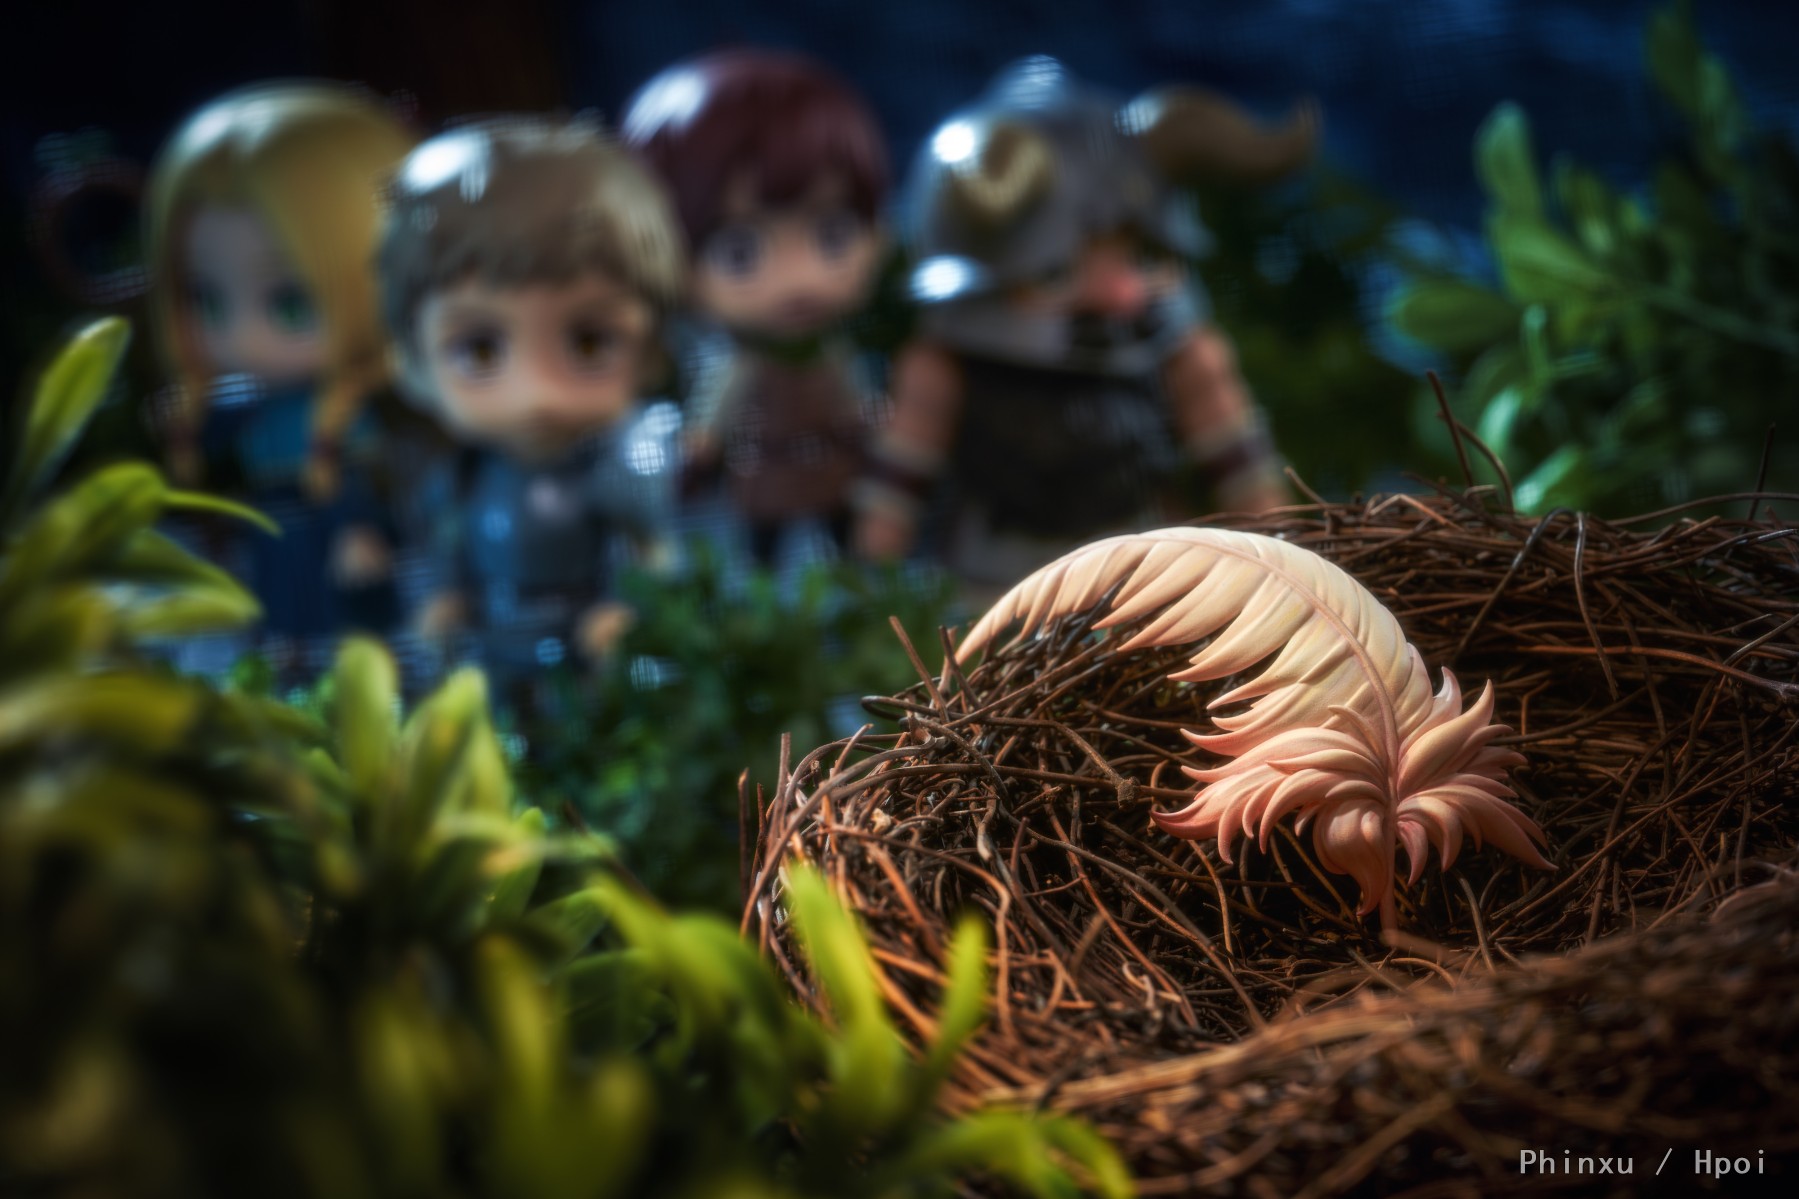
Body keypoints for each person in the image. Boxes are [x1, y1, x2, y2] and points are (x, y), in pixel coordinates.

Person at [855, 57, 1317, 602]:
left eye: (1140, 258)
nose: (1122, 294)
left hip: (1150, 582)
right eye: (1056, 272)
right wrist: (868, 600)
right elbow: (891, 507)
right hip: (996, 592)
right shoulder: (943, 370)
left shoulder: (1181, 354)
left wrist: (1291, 577)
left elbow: (1248, 478)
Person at [378, 117, 685, 701]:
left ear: (650, 351)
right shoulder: (463, 475)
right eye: (480, 349)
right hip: (497, 631)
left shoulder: (617, 467)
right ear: (415, 362)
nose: (536, 392)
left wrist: (625, 605)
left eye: (589, 343)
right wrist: (447, 598)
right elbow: (448, 544)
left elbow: (642, 545)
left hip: (585, 633)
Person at [146, 81, 416, 668]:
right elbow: (214, 449)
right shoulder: (244, 401)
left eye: (290, 304)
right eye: (206, 299)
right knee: (281, 611)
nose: (243, 340)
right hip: (269, 525)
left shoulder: (342, 410)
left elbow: (357, 477)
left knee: (347, 619)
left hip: (324, 525)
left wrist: (358, 529)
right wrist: (185, 430)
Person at [623, 49, 891, 568]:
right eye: (740, 253)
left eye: (833, 236)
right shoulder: (737, 362)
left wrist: (872, 424)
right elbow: (712, 412)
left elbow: (859, 399)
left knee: (844, 543)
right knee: (762, 554)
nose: (801, 280)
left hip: (832, 470)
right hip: (763, 475)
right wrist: (699, 448)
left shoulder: (832, 350)